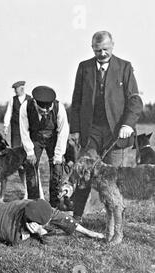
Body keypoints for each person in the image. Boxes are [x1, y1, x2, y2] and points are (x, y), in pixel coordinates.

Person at [69, 31, 143, 222]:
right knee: (83, 173)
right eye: (98, 49)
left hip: (115, 133)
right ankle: (76, 217)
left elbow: (135, 100)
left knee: (111, 180)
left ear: (113, 45)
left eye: (105, 49)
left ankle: (113, 222)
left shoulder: (124, 67)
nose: (102, 53)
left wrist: (127, 124)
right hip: (90, 132)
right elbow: (76, 102)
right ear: (92, 47)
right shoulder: (84, 68)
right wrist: (75, 129)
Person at [20, 86, 69, 207]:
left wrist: (58, 155)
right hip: (34, 138)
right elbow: (24, 130)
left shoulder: (59, 108)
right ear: (36, 103)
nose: (46, 112)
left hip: (53, 137)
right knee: (30, 166)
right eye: (42, 110)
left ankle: (55, 205)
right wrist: (30, 152)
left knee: (57, 168)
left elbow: (63, 132)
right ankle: (34, 203)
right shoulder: (25, 106)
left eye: (48, 109)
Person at [3, 81, 32, 148]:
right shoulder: (12, 99)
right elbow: (8, 112)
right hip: (15, 127)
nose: (15, 91)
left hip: (27, 127)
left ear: (22, 89)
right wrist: (6, 126)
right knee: (15, 146)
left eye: (16, 89)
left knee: (28, 146)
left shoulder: (30, 99)